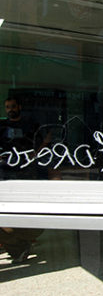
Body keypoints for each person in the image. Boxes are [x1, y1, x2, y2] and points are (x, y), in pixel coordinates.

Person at [0, 96, 44, 263]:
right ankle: (17, 244)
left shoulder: (31, 125)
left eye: (12, 106)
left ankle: (22, 241)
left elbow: (42, 143)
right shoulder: (2, 126)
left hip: (26, 173)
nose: (10, 109)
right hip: (5, 173)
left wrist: (35, 154)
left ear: (19, 106)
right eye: (7, 107)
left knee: (24, 209)